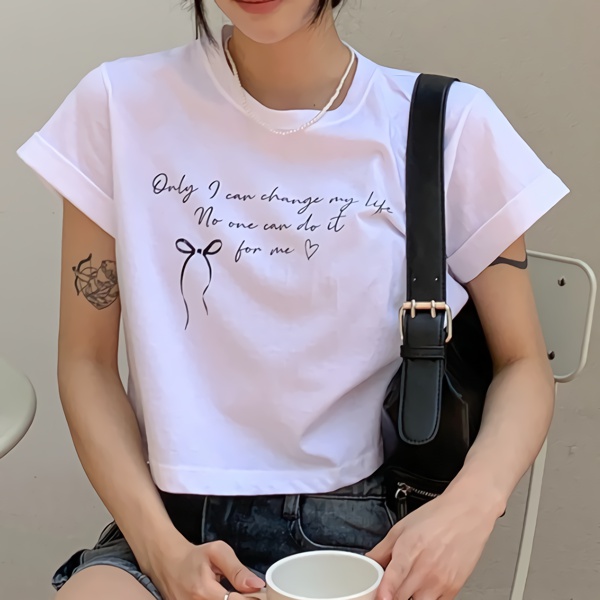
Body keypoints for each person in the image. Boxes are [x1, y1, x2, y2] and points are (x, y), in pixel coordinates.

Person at [17, 1, 570, 599]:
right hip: (168, 529)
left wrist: (472, 505)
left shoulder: (442, 123)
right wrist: (163, 553)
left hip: (357, 535)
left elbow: (523, 365)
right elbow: (87, 363)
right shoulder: (117, 105)